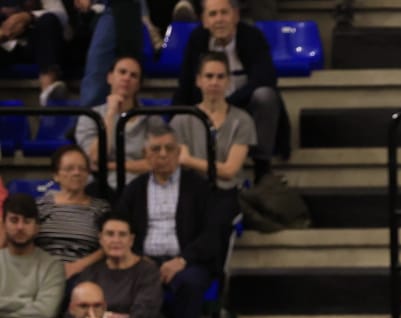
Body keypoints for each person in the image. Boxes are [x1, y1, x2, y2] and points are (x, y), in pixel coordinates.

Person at [118, 123, 227, 318]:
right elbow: (120, 226)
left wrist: (182, 260)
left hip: (188, 261)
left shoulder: (199, 187)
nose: (163, 154)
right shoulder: (134, 189)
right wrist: (139, 258)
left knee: (189, 284)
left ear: (179, 153)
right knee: (130, 281)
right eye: (156, 149)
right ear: (146, 155)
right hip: (143, 260)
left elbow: (213, 234)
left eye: (169, 148)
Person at [172, 0, 288, 181]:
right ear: (204, 21)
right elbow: (186, 83)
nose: (219, 19)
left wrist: (228, 104)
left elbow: (265, 79)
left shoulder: (253, 36)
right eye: (213, 14)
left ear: (236, 15)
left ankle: (262, 166)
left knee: (265, 96)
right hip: (207, 109)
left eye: (224, 13)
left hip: (244, 109)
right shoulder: (197, 39)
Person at [170, 51, 257, 213]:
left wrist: (189, 160)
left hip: (228, 193)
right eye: (209, 76)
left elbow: (229, 171)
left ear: (228, 81)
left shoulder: (243, 120)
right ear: (198, 80)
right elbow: (180, 166)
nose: (214, 82)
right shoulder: (181, 120)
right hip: (191, 193)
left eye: (220, 77)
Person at [0, 193, 66, 318]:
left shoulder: (52, 265)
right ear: (4, 224)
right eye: (14, 220)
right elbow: (38, 309)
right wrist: (26, 302)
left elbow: (46, 312)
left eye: (27, 221)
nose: (20, 227)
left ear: (37, 227)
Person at [76, 212, 166, 318]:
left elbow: (144, 312)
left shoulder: (148, 271)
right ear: (101, 238)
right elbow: (76, 311)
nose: (116, 240)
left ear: (131, 240)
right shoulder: (90, 272)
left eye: (122, 235)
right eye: (110, 234)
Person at [75, 55, 153, 194]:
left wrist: (111, 166)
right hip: (102, 188)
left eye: (133, 75)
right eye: (122, 72)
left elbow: (155, 163)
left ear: (138, 85)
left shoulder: (151, 118)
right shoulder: (90, 117)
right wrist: (110, 114)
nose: (127, 78)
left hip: (142, 188)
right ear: (109, 77)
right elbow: (96, 158)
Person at [35, 146, 110, 279]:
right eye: (69, 169)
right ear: (56, 175)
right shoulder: (40, 206)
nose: (77, 173)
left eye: (82, 169)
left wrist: (77, 266)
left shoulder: (101, 208)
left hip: (85, 274)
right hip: (42, 273)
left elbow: (108, 245)